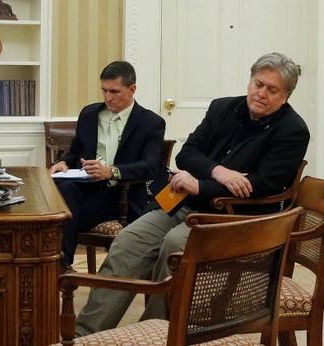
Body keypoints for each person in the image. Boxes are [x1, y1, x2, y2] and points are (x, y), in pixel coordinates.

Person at [74, 52, 310, 337]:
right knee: (128, 241)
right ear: (250, 81)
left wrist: (200, 185)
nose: (260, 93)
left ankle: (157, 335)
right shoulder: (223, 108)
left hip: (239, 220)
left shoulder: (293, 130)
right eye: (257, 84)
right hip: (185, 205)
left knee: (174, 246)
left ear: (285, 96)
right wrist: (220, 173)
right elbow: (188, 154)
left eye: (272, 90)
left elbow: (263, 186)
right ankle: (85, 335)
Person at [49, 61, 167, 275]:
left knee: (64, 216)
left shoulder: (151, 123)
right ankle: (62, 265)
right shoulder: (90, 114)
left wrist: (112, 171)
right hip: (84, 186)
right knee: (62, 194)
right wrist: (63, 162)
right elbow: (76, 150)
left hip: (120, 193)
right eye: (104, 90)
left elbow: (150, 166)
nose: (107, 97)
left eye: (114, 91)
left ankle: (62, 262)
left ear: (132, 90)